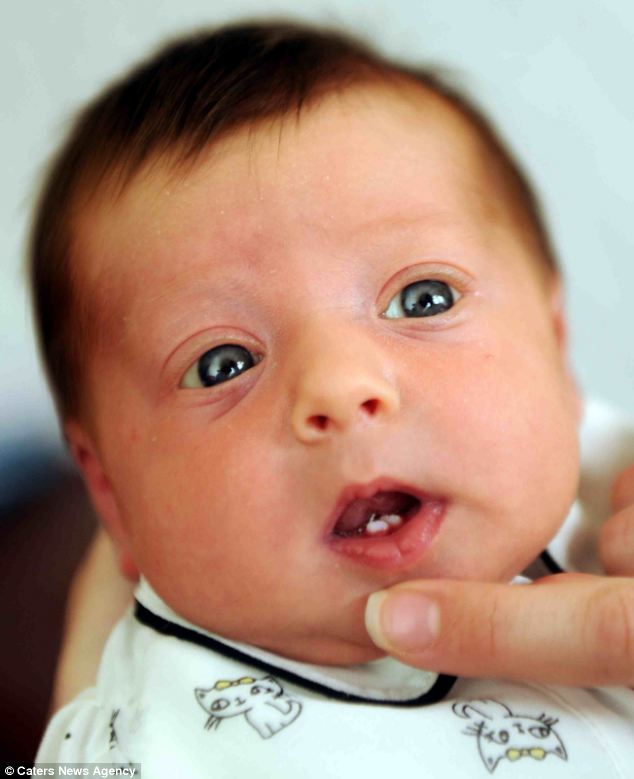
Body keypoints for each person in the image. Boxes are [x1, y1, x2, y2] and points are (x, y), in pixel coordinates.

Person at [32, 21, 634, 776]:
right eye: (222, 364)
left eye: (423, 297)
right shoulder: (145, 744)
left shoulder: (615, 494)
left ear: (555, 350)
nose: (341, 388)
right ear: (111, 494)